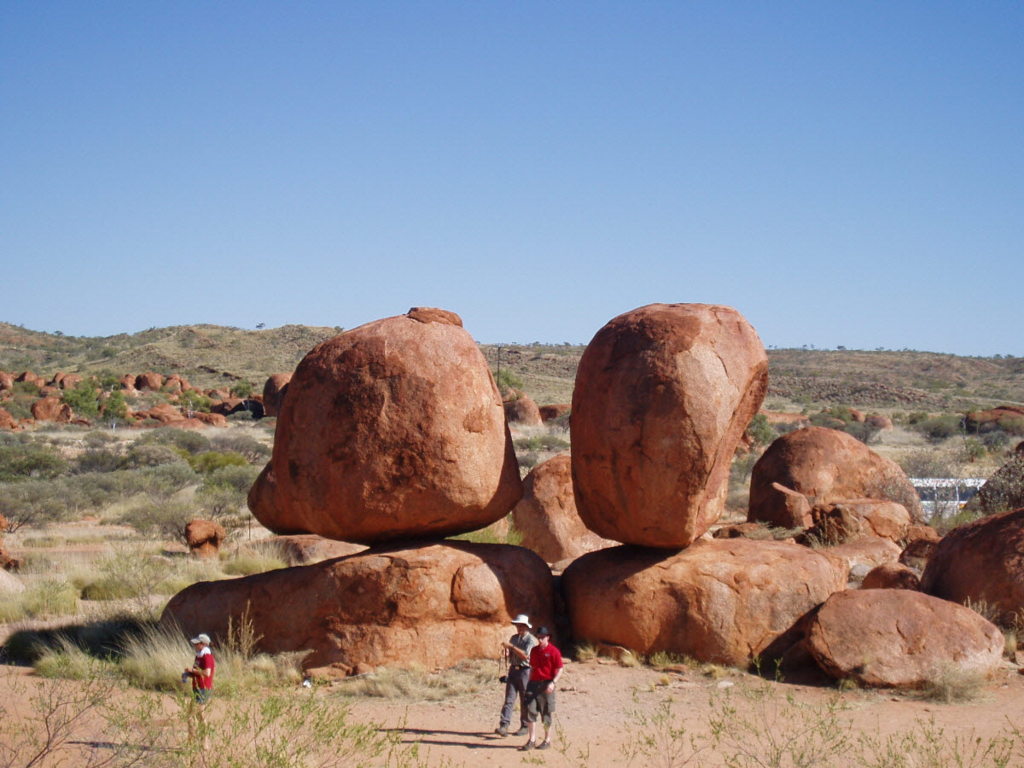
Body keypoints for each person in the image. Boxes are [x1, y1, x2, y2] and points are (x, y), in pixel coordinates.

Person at [519, 626, 563, 751]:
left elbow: (560, 668)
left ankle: (546, 740)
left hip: (547, 683)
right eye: (539, 637)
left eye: (543, 637)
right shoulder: (534, 651)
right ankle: (532, 739)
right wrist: (529, 682)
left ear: (548, 637)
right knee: (530, 710)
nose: (540, 639)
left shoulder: (554, 651)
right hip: (533, 684)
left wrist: (553, 683)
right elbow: (532, 667)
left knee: (546, 712)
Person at [495, 614, 537, 737]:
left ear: (526, 627)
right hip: (513, 670)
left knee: (524, 699)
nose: (519, 628)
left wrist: (512, 647)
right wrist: (507, 652)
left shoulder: (531, 640)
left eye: (522, 626)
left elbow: (525, 656)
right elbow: (512, 654)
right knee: (509, 698)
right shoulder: (514, 638)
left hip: (525, 671)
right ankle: (504, 725)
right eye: (518, 626)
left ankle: (525, 725)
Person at [184, 632, 215, 745]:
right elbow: (198, 673)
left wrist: (193, 671)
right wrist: (189, 674)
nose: (195, 646)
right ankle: (203, 741)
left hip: (203, 689)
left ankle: (192, 742)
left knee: (192, 715)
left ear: (203, 644)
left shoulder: (207, 657)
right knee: (200, 715)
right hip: (197, 688)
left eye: (197, 644)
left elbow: (207, 673)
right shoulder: (199, 656)